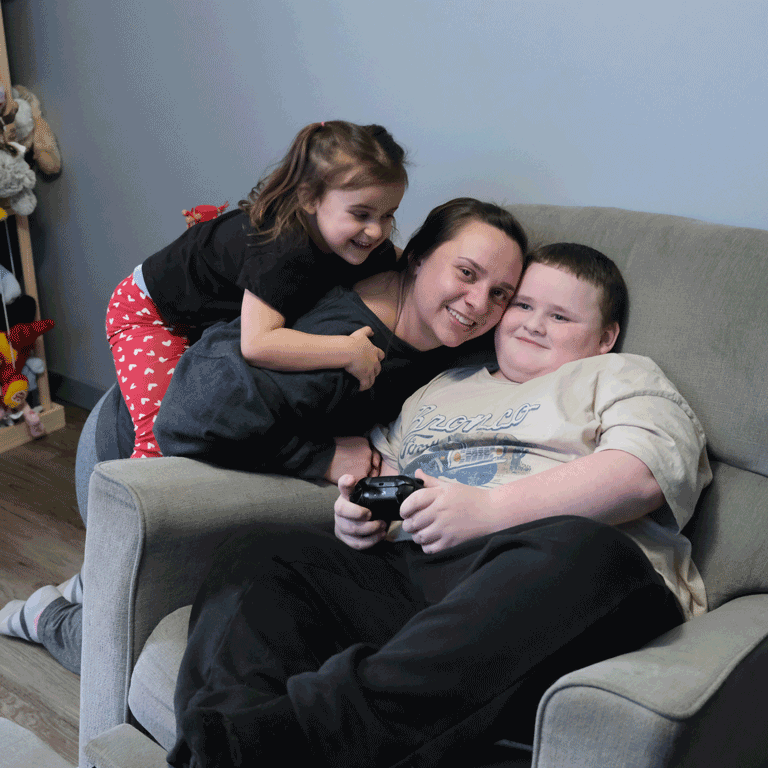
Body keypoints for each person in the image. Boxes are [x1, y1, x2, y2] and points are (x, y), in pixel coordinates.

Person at [167, 243, 712, 767]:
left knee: (588, 546)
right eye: (520, 305)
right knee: (259, 553)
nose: (532, 323)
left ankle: (298, 740)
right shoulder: (442, 387)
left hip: (559, 578)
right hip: (423, 577)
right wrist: (360, 517)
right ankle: (224, 742)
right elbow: (380, 478)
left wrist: (491, 511)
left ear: (605, 337)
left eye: (560, 316)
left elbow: (642, 473)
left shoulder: (622, 374)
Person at [0, 197, 528, 673]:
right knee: (134, 644)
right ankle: (47, 615)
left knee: (150, 600)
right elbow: (190, 412)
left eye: (500, 293)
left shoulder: (445, 330)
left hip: (227, 428)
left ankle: (89, 586)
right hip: (139, 443)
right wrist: (319, 456)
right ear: (416, 256)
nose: (479, 303)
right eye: (465, 272)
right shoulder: (343, 344)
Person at [107, 120, 408, 460]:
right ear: (309, 197)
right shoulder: (282, 248)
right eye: (362, 214)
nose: (376, 231)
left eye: (388, 216)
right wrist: (348, 351)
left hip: (207, 316)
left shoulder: (358, 241)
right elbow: (258, 344)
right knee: (162, 438)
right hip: (148, 313)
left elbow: (408, 262)